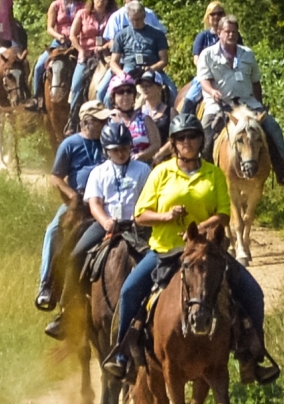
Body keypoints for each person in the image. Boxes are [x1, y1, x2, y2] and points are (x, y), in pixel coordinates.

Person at [103, 113, 271, 382]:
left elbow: (224, 215)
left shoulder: (214, 174)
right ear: (173, 143)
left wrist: (201, 229)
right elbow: (141, 215)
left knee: (253, 293)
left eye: (192, 137)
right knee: (129, 291)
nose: (187, 142)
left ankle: (253, 356)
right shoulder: (160, 173)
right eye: (181, 138)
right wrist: (166, 216)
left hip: (208, 252)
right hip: (165, 251)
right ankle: (122, 356)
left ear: (200, 140)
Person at [54, 122, 151, 340]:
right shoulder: (98, 173)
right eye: (116, 149)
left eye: (125, 148)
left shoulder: (143, 170)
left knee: (162, 258)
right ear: (106, 151)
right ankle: (67, 310)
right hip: (105, 224)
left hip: (138, 227)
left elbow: (149, 198)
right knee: (74, 256)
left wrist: (139, 219)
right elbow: (95, 203)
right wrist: (106, 221)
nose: (121, 153)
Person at [37, 100, 111, 338]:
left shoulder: (108, 142)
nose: (103, 124)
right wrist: (71, 196)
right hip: (78, 203)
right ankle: (47, 286)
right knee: (53, 231)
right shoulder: (70, 144)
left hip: (105, 204)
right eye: (99, 120)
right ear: (86, 121)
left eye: (104, 120)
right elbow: (56, 177)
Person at [197, 15, 284, 185]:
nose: (231, 35)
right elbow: (204, 81)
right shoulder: (208, 54)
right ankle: (201, 174)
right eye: (227, 32)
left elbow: (255, 81)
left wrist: (260, 104)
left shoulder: (247, 54)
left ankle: (282, 168)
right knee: (206, 130)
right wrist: (212, 92)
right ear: (219, 33)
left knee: (272, 127)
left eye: (234, 32)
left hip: (247, 103)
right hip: (220, 104)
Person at [104, 0, 177, 103]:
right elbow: (113, 61)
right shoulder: (121, 35)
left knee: (173, 91)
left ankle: (171, 116)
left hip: (152, 68)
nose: (136, 22)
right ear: (128, 18)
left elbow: (164, 60)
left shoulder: (158, 34)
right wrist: (121, 73)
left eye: (138, 19)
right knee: (107, 98)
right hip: (129, 69)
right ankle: (111, 118)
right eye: (133, 19)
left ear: (144, 16)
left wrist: (152, 68)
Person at [30, 0, 85, 109]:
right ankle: (37, 99)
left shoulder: (82, 5)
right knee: (38, 66)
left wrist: (78, 37)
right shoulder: (55, 5)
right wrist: (58, 35)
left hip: (76, 44)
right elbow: (49, 27)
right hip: (59, 43)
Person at [68, 0, 117, 123]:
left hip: (106, 55)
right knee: (76, 84)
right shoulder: (83, 14)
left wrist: (105, 46)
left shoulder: (112, 16)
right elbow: (72, 35)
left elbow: (116, 37)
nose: (101, 0)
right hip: (86, 55)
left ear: (108, 1)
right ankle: (72, 120)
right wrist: (80, 50)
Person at [182, 1, 226, 115]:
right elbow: (196, 59)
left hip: (228, 74)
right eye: (213, 14)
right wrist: (208, 70)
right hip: (206, 75)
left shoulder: (232, 35)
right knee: (190, 98)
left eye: (220, 13)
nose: (216, 16)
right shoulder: (203, 36)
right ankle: (184, 120)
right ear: (208, 17)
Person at [108, 73, 161, 164]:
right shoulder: (108, 120)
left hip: (142, 167)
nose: (125, 95)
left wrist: (140, 156)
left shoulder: (145, 119)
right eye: (121, 92)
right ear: (113, 97)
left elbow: (156, 144)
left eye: (129, 91)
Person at [137, 69, 177, 149]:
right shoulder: (137, 113)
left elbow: (177, 138)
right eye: (142, 86)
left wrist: (160, 153)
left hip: (165, 158)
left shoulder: (170, 112)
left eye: (148, 85)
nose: (145, 89)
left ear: (159, 88)